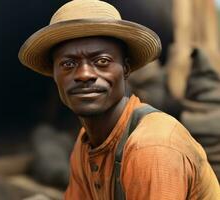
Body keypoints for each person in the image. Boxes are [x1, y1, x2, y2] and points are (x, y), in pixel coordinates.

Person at [18, 0, 220, 199]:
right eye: (68, 64)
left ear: (126, 69)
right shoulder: (86, 142)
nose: (84, 74)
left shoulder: (152, 148)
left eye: (102, 61)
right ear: (54, 75)